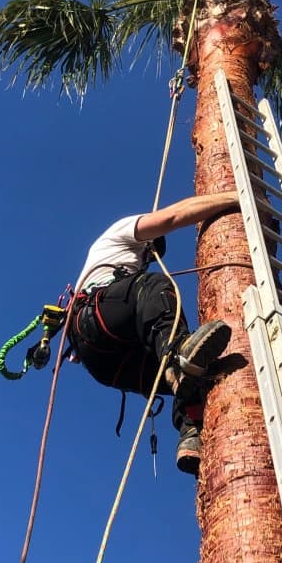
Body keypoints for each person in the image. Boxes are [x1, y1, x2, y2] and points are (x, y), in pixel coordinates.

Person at [67, 191, 240, 475]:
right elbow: (174, 215)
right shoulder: (121, 232)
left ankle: (191, 433)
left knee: (198, 373)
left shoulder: (128, 264)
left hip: (109, 364)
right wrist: (237, 197)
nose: (150, 255)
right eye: (151, 249)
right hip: (99, 319)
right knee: (154, 286)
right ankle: (177, 352)